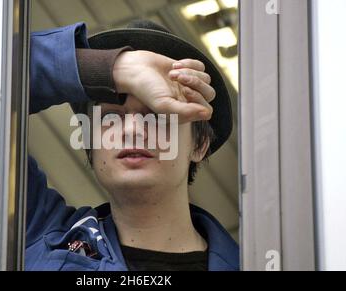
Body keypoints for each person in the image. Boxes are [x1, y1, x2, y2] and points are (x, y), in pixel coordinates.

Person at [26, 20, 239, 271]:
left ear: (200, 144)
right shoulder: (33, 233)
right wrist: (115, 70)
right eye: (110, 118)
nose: (132, 130)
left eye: (158, 115)